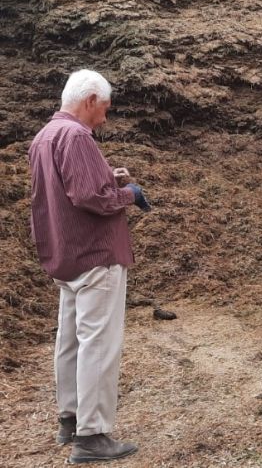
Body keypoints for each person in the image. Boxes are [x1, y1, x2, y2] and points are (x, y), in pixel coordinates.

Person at [29, 69, 151, 463]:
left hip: (65, 255)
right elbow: (89, 197)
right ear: (90, 101)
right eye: (105, 109)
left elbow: (65, 189)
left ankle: (69, 419)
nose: (105, 118)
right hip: (96, 255)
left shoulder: (44, 137)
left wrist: (108, 177)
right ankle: (93, 435)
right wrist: (129, 193)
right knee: (98, 343)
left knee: (70, 341)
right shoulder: (78, 136)